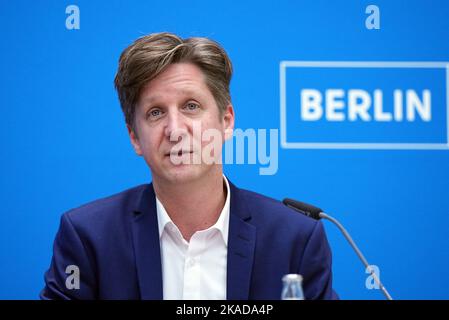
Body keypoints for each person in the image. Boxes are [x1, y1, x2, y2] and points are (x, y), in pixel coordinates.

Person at [40, 32, 338, 300]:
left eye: (191, 106)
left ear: (226, 121)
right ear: (135, 137)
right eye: (155, 113)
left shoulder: (295, 240)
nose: (175, 129)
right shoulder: (88, 237)